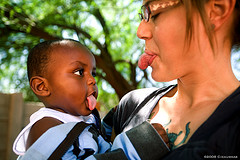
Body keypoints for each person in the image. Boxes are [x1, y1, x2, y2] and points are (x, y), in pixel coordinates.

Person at [111, 0, 240, 159]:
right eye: (143, 16)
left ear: (216, 11)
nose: (140, 31)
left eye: (155, 14)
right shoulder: (130, 106)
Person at [13, 39, 170, 160]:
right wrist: (136, 147)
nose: (92, 80)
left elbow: (96, 144)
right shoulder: (46, 126)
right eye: (79, 72)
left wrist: (109, 123)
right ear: (42, 86)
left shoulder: (80, 121)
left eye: (93, 73)